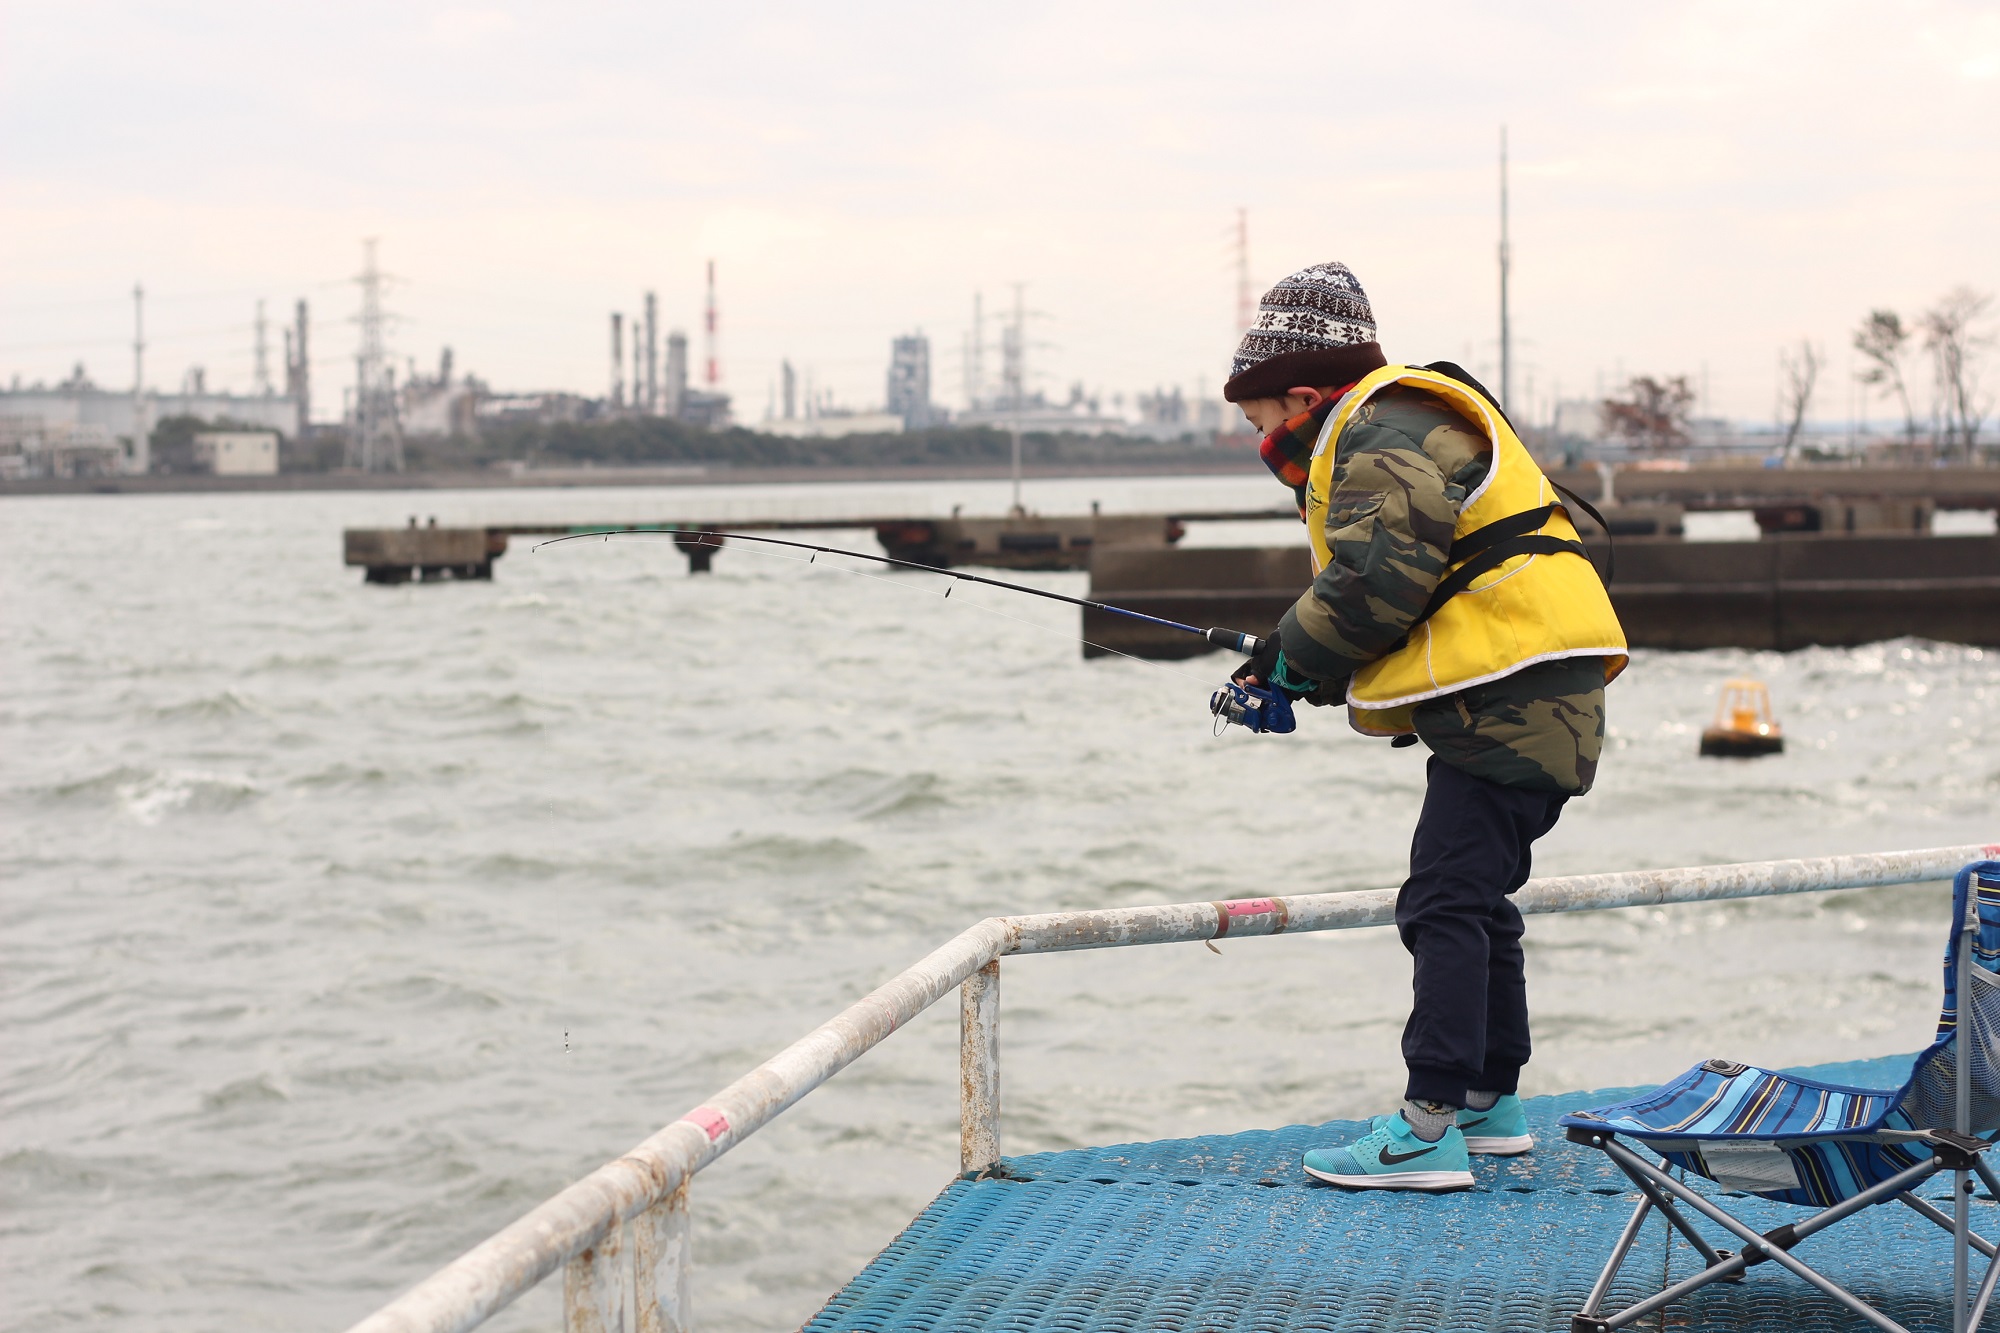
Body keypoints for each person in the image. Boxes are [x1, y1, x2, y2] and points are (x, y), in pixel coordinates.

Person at [1224, 261, 1627, 1192]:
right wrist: (1301, 666)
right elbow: (1411, 586)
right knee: (1478, 900)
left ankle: (1426, 1129)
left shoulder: (1380, 429)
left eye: (1261, 422)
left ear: (1302, 393)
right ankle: (1490, 1105)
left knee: (1442, 902)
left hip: (1512, 697)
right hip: (1537, 690)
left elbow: (1373, 583)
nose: (1264, 442)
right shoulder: (1408, 420)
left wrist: (1281, 663)